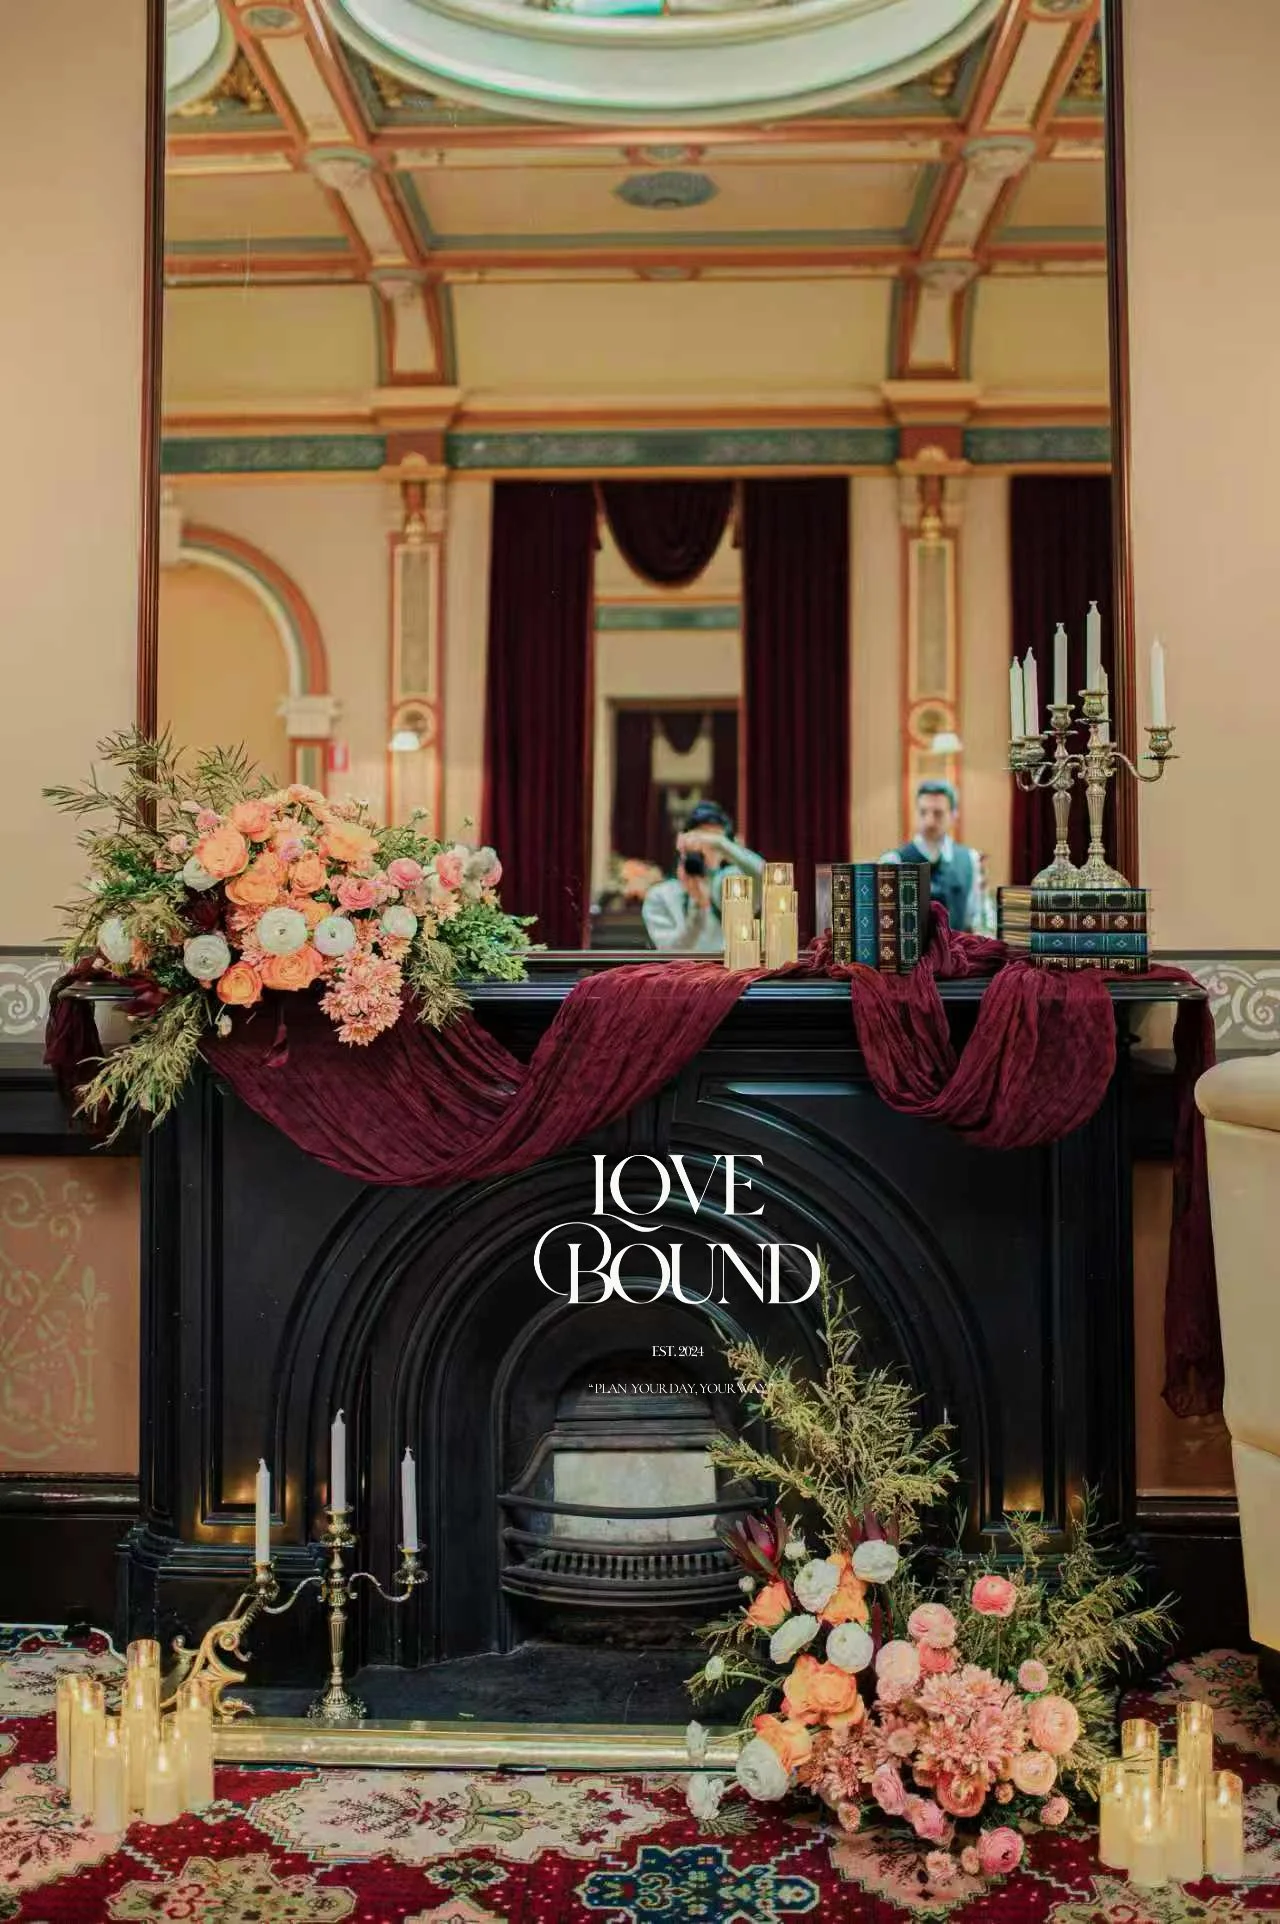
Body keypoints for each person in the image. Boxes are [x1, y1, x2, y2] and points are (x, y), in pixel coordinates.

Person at [641, 801, 765, 952]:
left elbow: (768, 880)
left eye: (714, 846)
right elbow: (672, 951)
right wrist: (698, 909)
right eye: (700, 841)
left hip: (725, 973)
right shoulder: (661, 895)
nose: (707, 849)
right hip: (680, 974)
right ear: (682, 844)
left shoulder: (730, 883)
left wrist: (723, 844)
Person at [879, 781, 992, 934]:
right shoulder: (892, 862)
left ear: (954, 815)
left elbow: (980, 921)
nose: (929, 821)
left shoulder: (971, 861)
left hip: (956, 954)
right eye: (923, 812)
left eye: (938, 813)